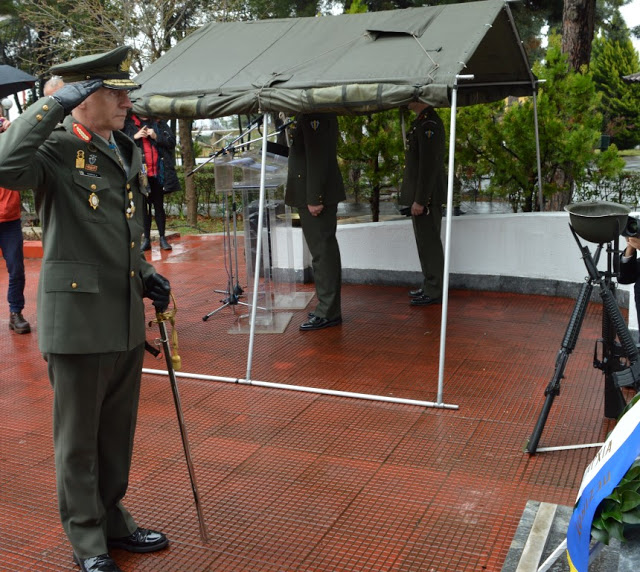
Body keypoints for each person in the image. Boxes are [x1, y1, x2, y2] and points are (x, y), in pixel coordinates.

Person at [0, 46, 172, 572]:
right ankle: (87, 540)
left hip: (120, 314)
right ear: (82, 97)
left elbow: (121, 230)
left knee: (115, 432)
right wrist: (51, 104)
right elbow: (5, 163)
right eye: (113, 91)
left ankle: (112, 516)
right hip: (76, 321)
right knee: (78, 441)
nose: (125, 100)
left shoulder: (120, 147)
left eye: (126, 91)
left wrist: (146, 274)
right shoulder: (53, 149)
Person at [285, 113, 345, 331]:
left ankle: (328, 311)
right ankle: (328, 308)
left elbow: (318, 156)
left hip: (314, 196)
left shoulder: (316, 115)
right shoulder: (311, 114)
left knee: (322, 253)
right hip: (311, 194)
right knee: (321, 252)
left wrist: (315, 197)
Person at [399, 102, 446, 307]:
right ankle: (429, 285)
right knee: (425, 245)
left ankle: (434, 290)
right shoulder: (421, 122)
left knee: (430, 245)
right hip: (423, 196)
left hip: (427, 197)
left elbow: (428, 165)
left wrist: (421, 199)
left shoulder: (429, 124)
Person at [124, 113, 180, 252]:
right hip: (140, 174)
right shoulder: (128, 124)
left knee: (159, 206)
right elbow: (121, 145)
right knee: (144, 208)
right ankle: (147, 239)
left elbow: (172, 142)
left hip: (158, 174)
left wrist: (156, 136)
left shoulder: (159, 122)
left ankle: (162, 238)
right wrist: (135, 137)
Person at [0, 115, 31, 334]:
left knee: (16, 268)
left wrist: (14, 132)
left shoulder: (11, 138)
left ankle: (16, 312)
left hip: (10, 220)